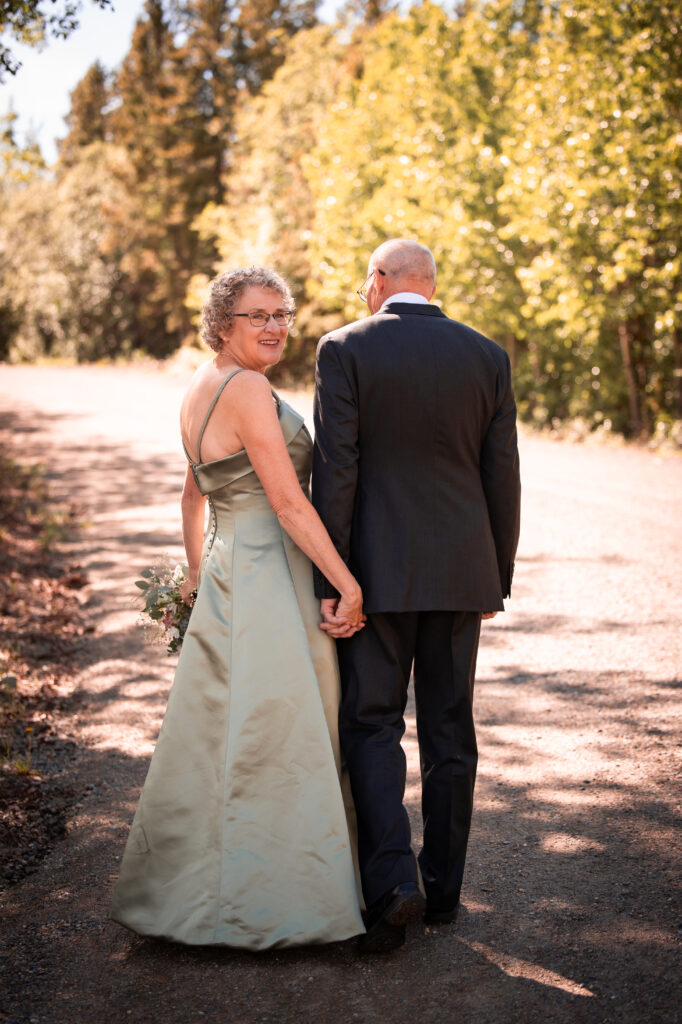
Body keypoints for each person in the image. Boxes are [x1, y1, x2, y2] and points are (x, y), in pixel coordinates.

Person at [111, 266, 366, 949]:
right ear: (224, 322)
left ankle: (195, 892)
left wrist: (197, 577)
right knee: (275, 735)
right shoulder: (248, 388)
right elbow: (287, 503)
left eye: (282, 313)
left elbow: (194, 495)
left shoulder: (200, 383)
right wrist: (347, 582)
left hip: (228, 570)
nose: (276, 326)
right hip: (268, 576)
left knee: (216, 736)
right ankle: (273, 900)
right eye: (259, 315)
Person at [311, 238, 521, 953]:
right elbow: (503, 475)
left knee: (371, 724)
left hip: (373, 575)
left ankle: (395, 882)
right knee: (448, 730)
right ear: (430, 284)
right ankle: (447, 895)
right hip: (462, 573)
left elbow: (337, 471)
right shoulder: (487, 354)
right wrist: (497, 574)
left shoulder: (344, 348)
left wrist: (332, 582)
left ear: (378, 282)